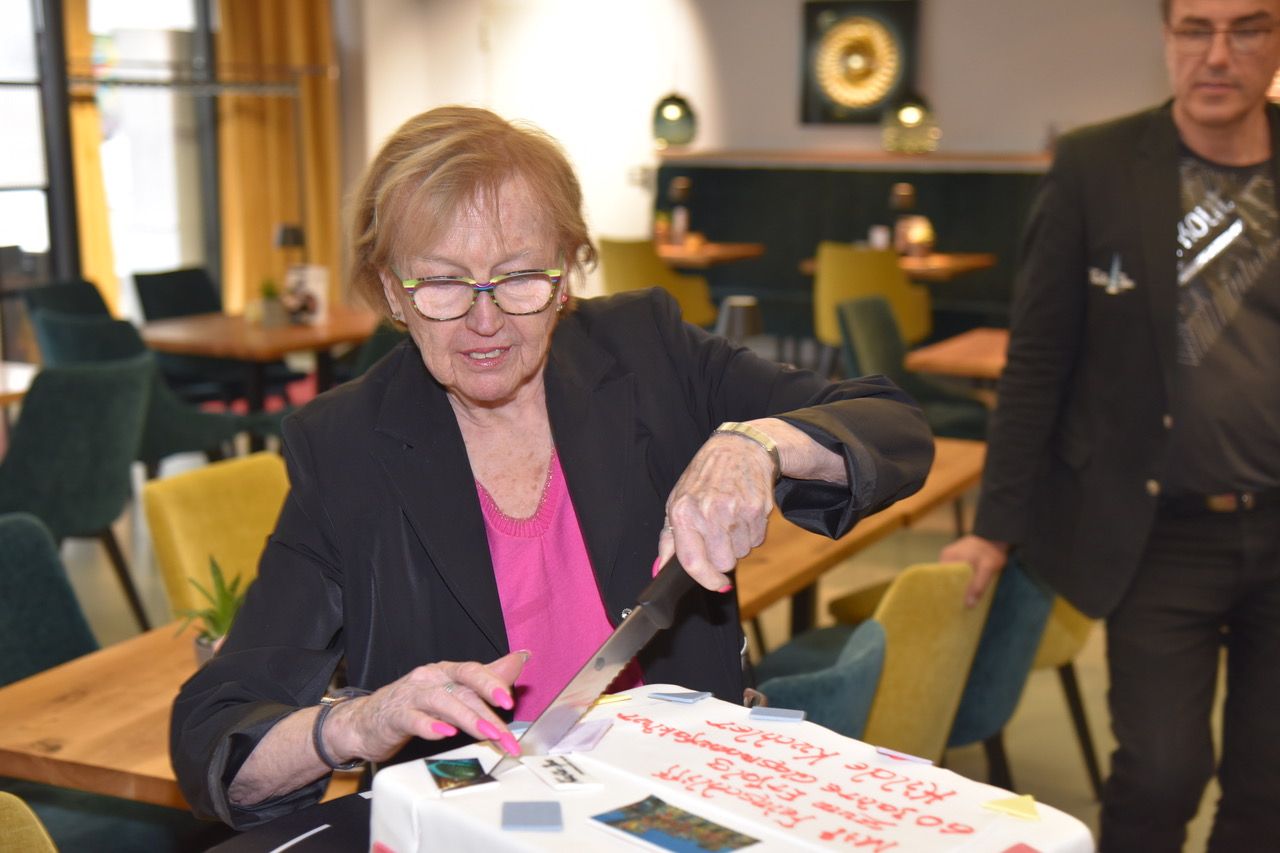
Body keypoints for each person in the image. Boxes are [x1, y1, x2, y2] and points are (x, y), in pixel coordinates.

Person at [171, 105, 933, 829]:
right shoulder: (344, 445)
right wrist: (355, 723)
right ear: (389, 293)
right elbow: (216, 746)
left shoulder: (647, 353)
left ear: (567, 272)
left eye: (518, 275)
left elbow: (893, 425)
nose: (484, 317)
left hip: (677, 810)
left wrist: (759, 444)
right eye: (440, 282)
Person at [941, 1, 1280, 850]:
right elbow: (1038, 360)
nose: (1218, 53)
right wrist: (994, 529)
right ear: (1166, 38)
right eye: (1194, 28)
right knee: (1162, 773)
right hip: (1156, 528)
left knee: (1270, 781)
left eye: (1247, 28)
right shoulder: (1098, 166)